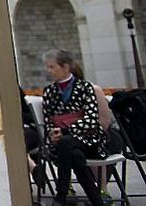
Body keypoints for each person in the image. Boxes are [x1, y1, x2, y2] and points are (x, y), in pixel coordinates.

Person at [41, 49, 106, 206]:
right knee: (74, 155)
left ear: (65, 67)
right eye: (47, 67)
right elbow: (49, 121)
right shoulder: (49, 92)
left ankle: (61, 195)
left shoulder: (85, 88)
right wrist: (53, 134)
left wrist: (64, 130)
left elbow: (92, 120)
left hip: (89, 141)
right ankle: (97, 202)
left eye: (52, 67)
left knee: (66, 143)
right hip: (63, 144)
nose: (48, 71)